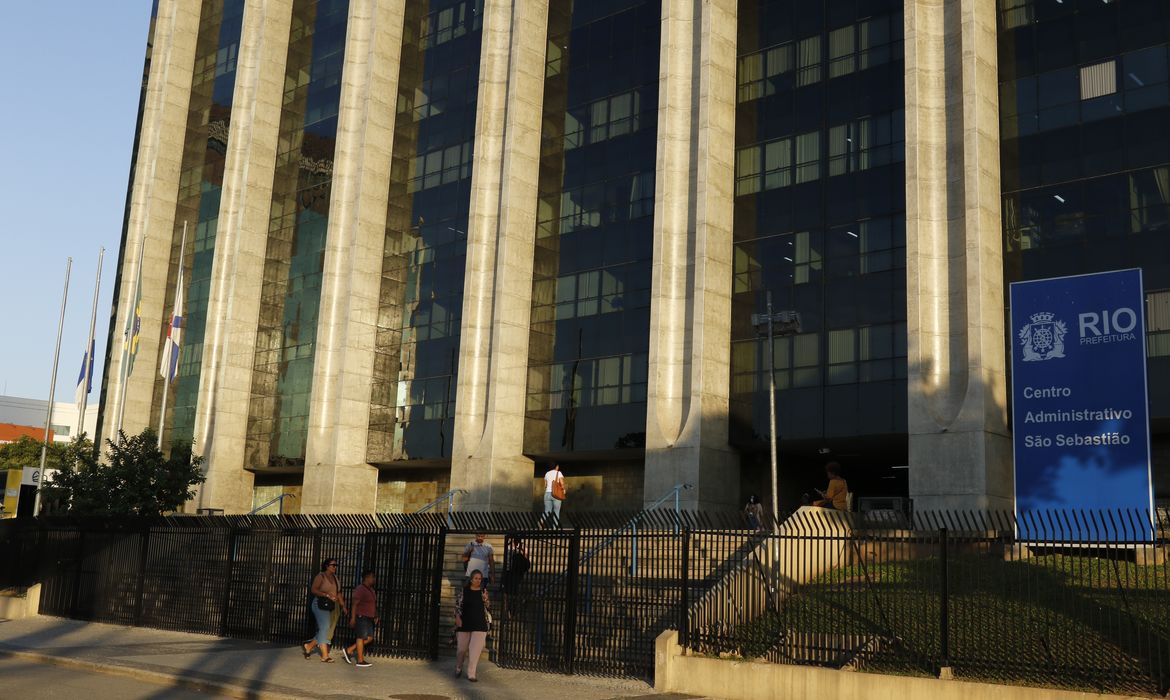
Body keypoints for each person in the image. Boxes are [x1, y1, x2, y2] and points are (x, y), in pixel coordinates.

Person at [302, 558, 346, 662]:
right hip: (319, 604)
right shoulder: (320, 576)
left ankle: (309, 646)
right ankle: (325, 656)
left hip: (331, 605)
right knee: (325, 627)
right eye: (333, 565)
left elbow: (338, 592)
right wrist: (326, 595)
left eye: (336, 565)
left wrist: (343, 605)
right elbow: (313, 589)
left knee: (325, 628)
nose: (335, 567)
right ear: (327, 566)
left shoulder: (335, 578)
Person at [454, 569, 491, 682]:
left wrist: (486, 599)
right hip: (465, 623)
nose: (478, 581)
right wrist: (457, 617)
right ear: (471, 579)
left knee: (475, 651)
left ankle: (471, 673)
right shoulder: (464, 591)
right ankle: (459, 667)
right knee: (462, 649)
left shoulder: (483, 591)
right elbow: (457, 606)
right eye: (476, 578)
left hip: (480, 624)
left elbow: (488, 607)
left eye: (480, 579)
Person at [342, 569, 378, 667]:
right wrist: (353, 618)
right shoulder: (360, 589)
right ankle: (360, 660)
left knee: (369, 638)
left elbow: (373, 604)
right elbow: (354, 604)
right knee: (361, 637)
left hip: (369, 617)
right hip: (361, 616)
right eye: (372, 577)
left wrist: (375, 615)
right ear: (367, 578)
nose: (374, 579)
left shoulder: (371, 590)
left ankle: (349, 650)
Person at [502, 535, 529, 618]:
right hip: (508, 571)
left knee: (516, 592)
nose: (516, 542)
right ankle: (507, 612)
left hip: (518, 573)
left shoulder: (523, 547)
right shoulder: (509, 546)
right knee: (506, 592)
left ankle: (513, 610)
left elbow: (526, 560)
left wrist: (522, 551)